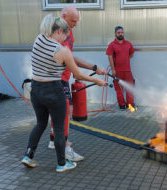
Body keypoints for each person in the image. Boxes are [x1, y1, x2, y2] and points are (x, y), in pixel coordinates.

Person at [21, 14, 106, 172]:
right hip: (53, 91)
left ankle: (28, 155)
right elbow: (78, 74)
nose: (66, 39)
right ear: (59, 31)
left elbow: (70, 58)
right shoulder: (61, 50)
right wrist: (97, 81)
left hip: (36, 90)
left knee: (40, 123)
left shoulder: (39, 39)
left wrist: (94, 68)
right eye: (65, 35)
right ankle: (61, 164)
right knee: (59, 128)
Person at [48, 5, 106, 162]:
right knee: (66, 113)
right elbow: (70, 60)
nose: (75, 24)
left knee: (60, 113)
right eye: (73, 21)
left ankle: (55, 140)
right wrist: (94, 70)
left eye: (76, 21)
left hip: (64, 78)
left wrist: (88, 70)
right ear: (64, 16)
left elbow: (71, 57)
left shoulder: (67, 30)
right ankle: (65, 148)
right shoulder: (58, 34)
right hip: (58, 79)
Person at [106, 26, 135, 110]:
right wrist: (113, 69)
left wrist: (124, 59)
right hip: (117, 71)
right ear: (115, 34)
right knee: (119, 90)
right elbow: (110, 57)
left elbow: (131, 54)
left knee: (129, 88)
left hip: (127, 71)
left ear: (123, 33)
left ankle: (130, 105)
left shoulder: (128, 44)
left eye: (121, 32)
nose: (120, 34)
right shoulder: (112, 45)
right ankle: (122, 105)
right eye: (118, 33)